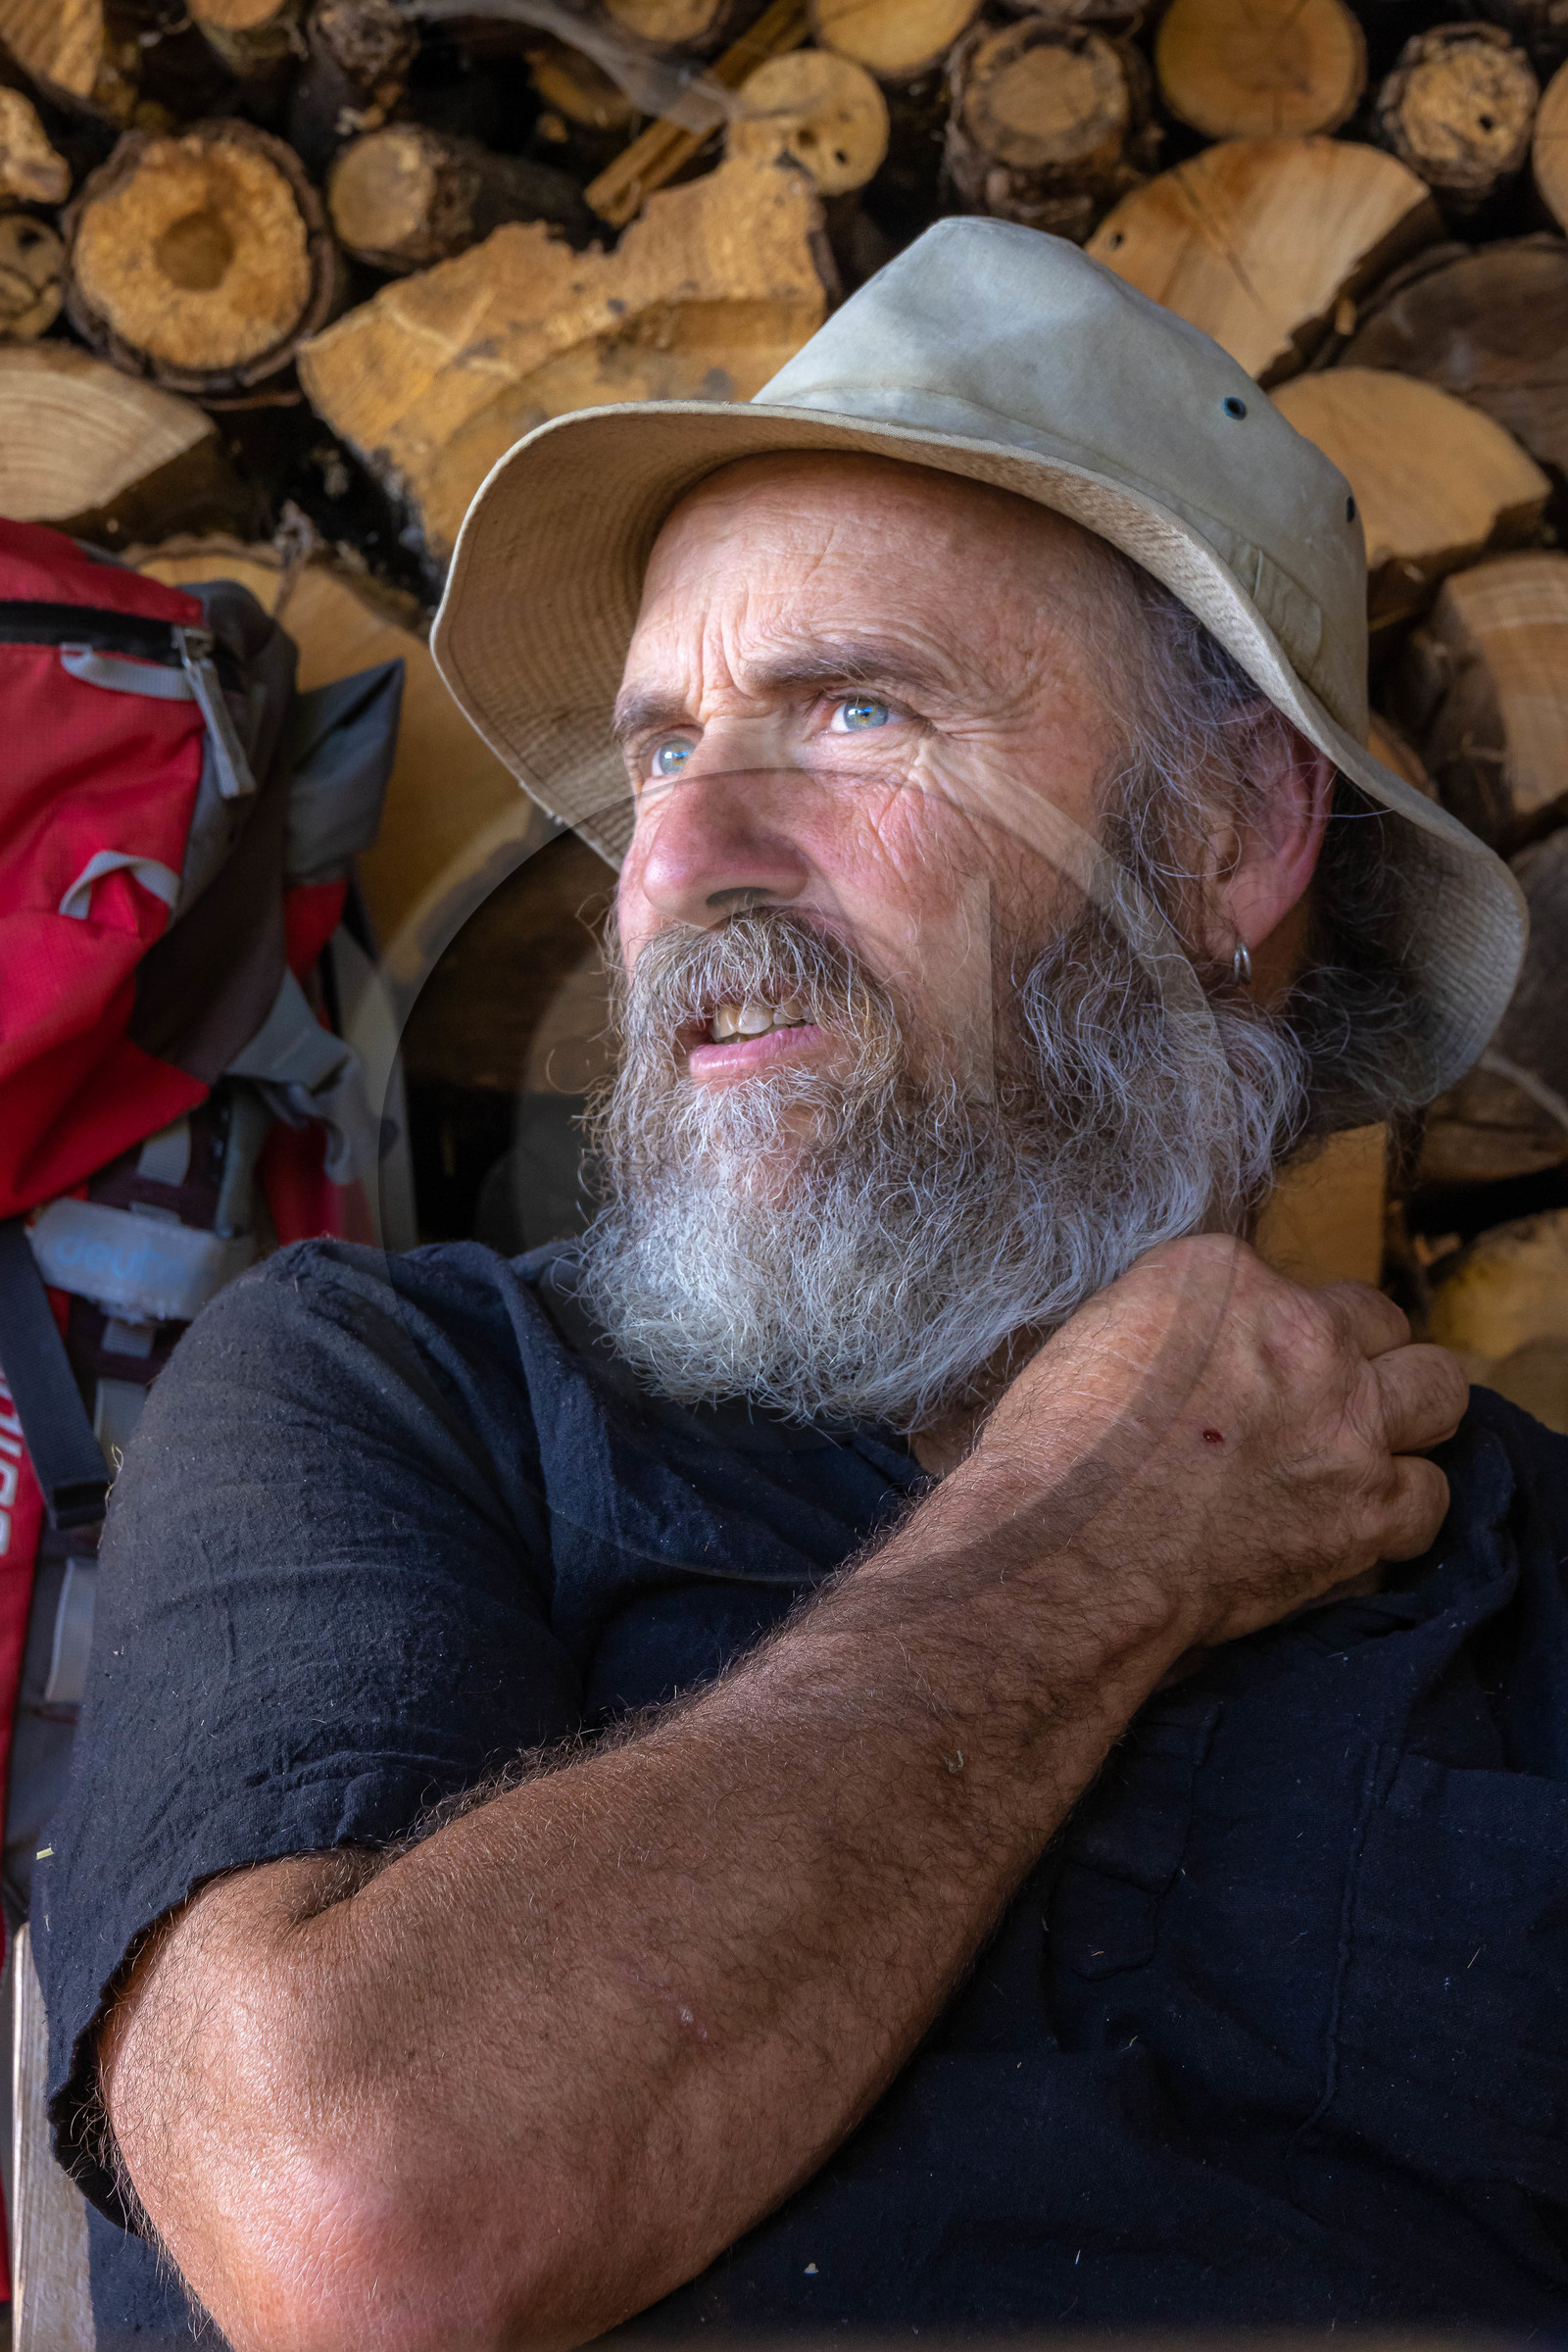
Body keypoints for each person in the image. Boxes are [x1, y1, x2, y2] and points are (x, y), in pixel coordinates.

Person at [37, 221, 1568, 2352]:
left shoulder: (1523, 1574)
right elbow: (357, 2219)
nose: (671, 865)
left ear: (1227, 834)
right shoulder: (393, 1391)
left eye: (854, 709)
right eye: (657, 752)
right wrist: (1103, 1528)